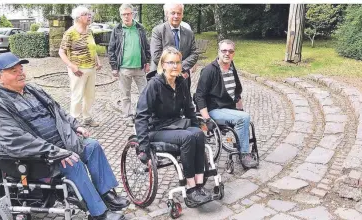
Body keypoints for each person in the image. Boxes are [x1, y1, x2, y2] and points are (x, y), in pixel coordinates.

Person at [0, 52, 129, 220]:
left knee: (92, 146)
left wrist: (75, 125)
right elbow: (15, 140)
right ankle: (98, 213)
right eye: (13, 71)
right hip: (36, 156)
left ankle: (105, 193)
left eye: (21, 68)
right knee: (73, 161)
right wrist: (55, 152)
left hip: (60, 143)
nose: (21, 73)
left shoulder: (33, 89)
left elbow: (57, 110)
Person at [135, 47, 211, 207]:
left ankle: (199, 184)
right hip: (156, 129)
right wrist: (143, 147)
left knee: (197, 134)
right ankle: (190, 189)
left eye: (178, 62)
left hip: (175, 125)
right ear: (162, 64)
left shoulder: (181, 82)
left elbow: (190, 109)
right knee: (188, 137)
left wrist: (197, 127)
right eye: (171, 62)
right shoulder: (154, 85)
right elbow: (141, 116)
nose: (175, 66)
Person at [195, 39, 258, 169]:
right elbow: (199, 96)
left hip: (227, 108)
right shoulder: (209, 71)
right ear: (218, 52)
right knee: (244, 118)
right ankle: (244, 154)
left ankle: (242, 144)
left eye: (230, 51)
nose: (227, 54)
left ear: (233, 54)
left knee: (243, 118)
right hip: (213, 109)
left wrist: (240, 111)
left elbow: (237, 92)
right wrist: (206, 119)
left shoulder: (231, 67)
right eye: (224, 50)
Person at [108, 4, 151, 125]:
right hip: (124, 68)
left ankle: (141, 115)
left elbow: (146, 47)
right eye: (123, 14)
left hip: (139, 67)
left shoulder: (140, 28)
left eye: (128, 13)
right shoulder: (117, 29)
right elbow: (111, 49)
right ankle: (127, 116)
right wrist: (114, 67)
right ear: (120, 15)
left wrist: (147, 61)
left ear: (132, 14)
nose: (126, 16)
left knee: (144, 93)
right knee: (125, 95)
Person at [59, 6, 101, 127]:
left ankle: (87, 118)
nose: (89, 16)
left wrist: (97, 60)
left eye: (89, 14)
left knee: (90, 95)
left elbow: (92, 47)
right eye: (85, 14)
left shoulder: (89, 31)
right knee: (77, 95)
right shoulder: (70, 33)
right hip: (78, 70)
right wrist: (71, 66)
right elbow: (61, 52)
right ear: (78, 18)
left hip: (91, 68)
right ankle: (74, 121)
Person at [150, 3, 198, 90]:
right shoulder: (158, 31)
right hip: (163, 77)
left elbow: (194, 54)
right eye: (173, 13)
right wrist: (175, 70)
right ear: (167, 14)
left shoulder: (189, 33)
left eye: (179, 13)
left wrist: (180, 68)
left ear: (182, 14)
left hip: (183, 76)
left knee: (183, 101)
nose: (176, 16)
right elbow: (156, 55)